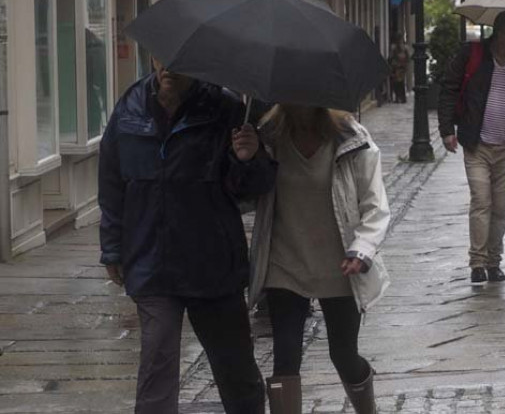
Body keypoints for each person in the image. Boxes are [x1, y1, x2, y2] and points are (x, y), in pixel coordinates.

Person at [99, 59, 277, 414]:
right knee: (157, 365)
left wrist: (248, 158)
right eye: (162, 56)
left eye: (180, 60)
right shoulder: (130, 105)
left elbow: (252, 190)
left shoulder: (225, 108)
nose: (169, 66)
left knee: (235, 369)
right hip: (151, 259)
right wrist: (113, 248)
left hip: (210, 263)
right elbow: (112, 182)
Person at [248, 105, 390, 414]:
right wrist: (245, 160)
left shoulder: (351, 138)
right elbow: (246, 197)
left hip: (341, 265)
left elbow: (375, 204)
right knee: (285, 358)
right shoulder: (268, 138)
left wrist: (362, 249)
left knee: (343, 355)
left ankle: (368, 409)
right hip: (285, 264)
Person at [438, 11, 505, 284]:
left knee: (501, 208)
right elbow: (448, 88)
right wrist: (447, 130)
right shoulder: (472, 55)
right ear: (501, 34)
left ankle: (494, 261)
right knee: (481, 201)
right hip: (477, 143)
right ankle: (477, 262)